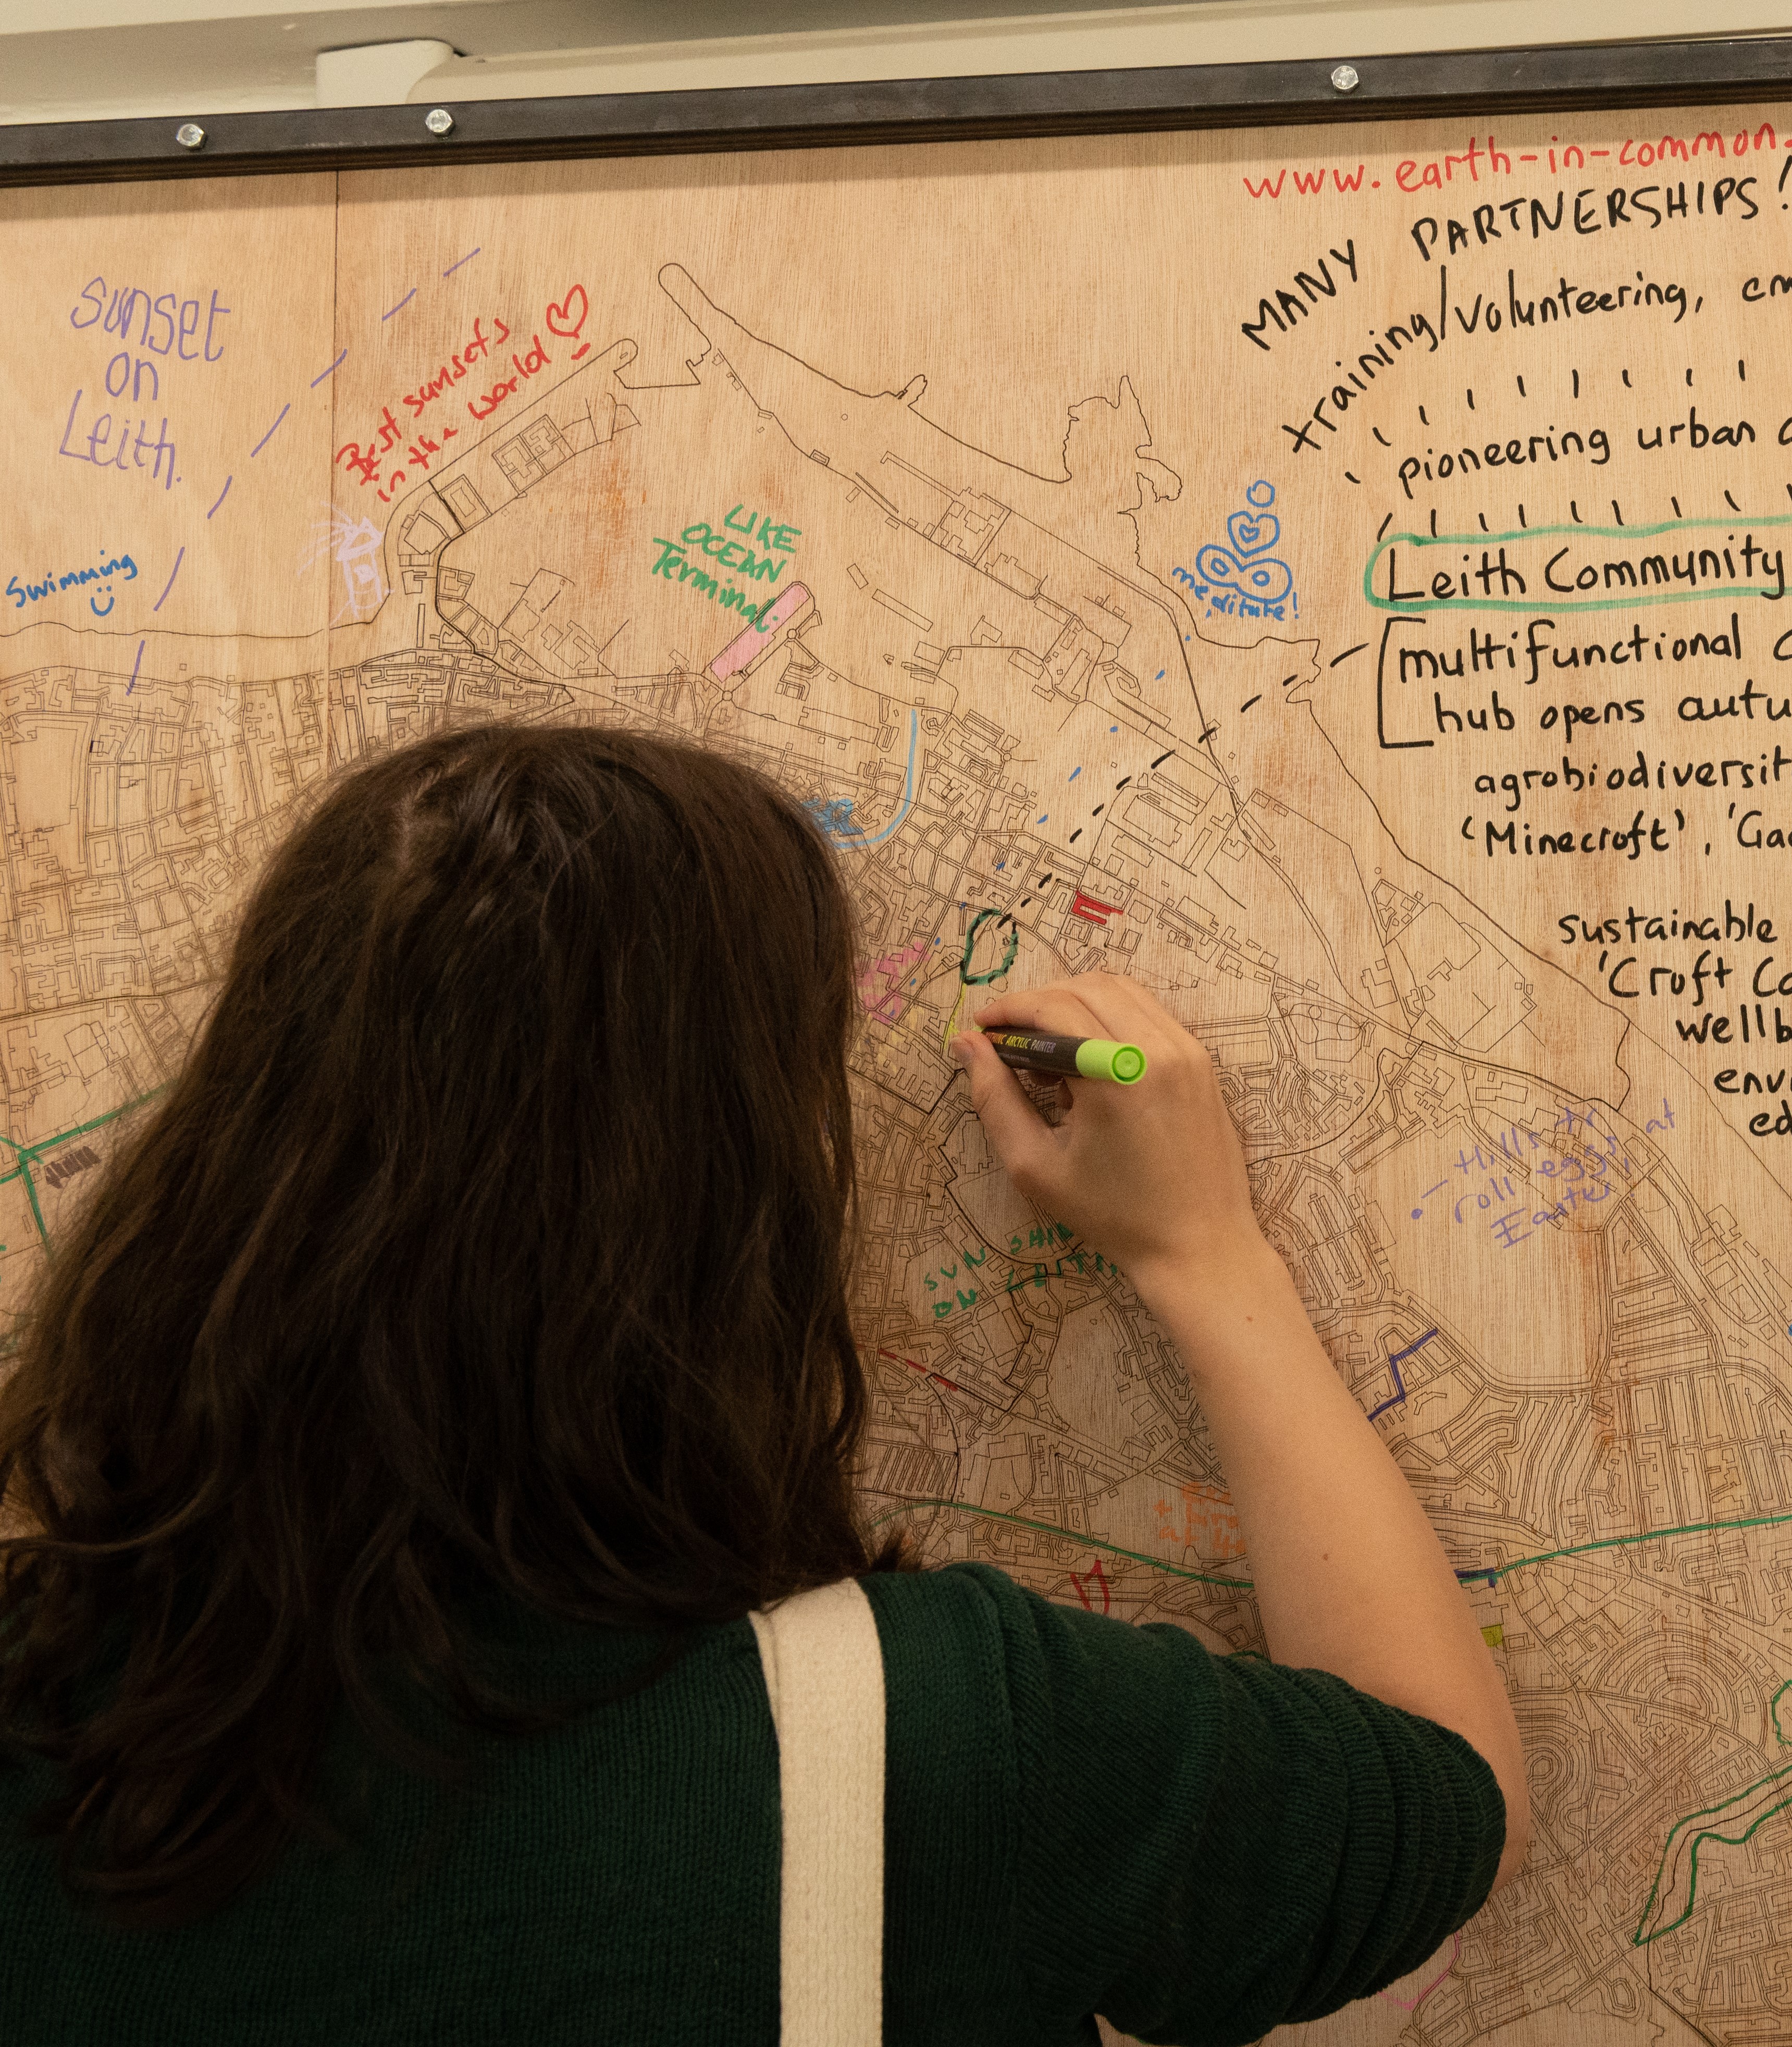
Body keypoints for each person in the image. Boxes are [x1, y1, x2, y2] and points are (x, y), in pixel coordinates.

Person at [0, 724, 1525, 2043]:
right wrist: (1205, 1255)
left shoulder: (38, 1686)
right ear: (742, 1207)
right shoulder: (943, 1743)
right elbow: (1439, 1799)